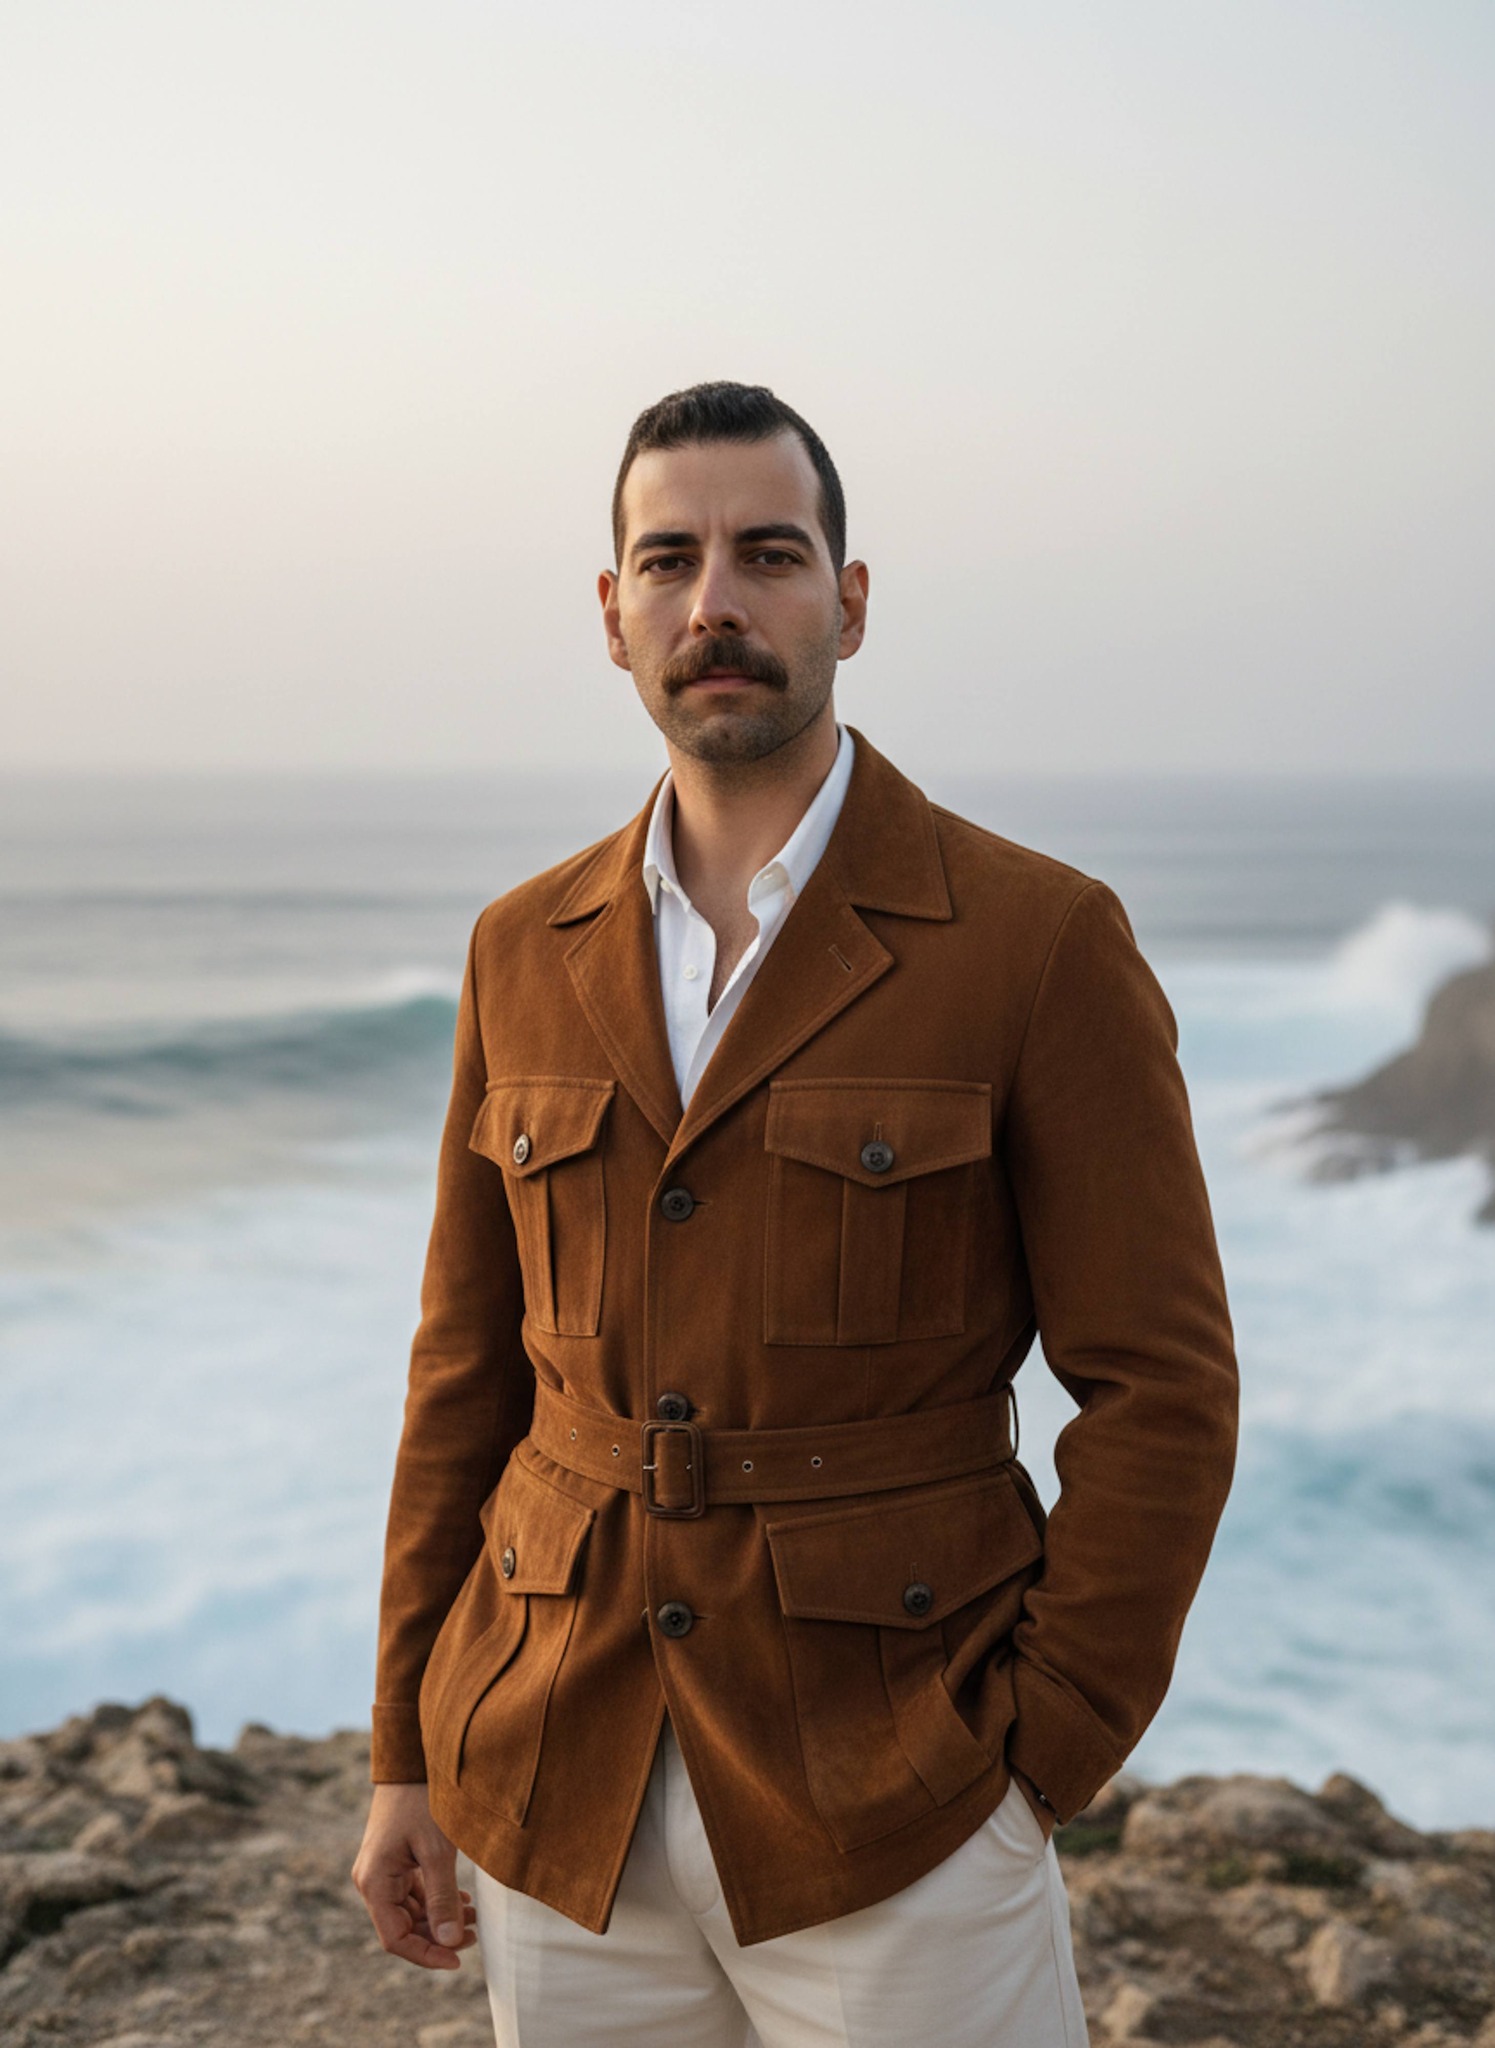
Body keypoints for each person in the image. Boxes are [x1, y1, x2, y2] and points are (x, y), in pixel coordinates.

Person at [351, 381, 1239, 2046]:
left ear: (848, 599)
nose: (717, 604)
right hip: (556, 1775)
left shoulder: (1038, 942)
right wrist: (407, 1741)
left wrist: (1041, 1750)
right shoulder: (517, 949)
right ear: (611, 617)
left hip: (896, 1783)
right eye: (669, 560)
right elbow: (465, 1373)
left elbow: (1163, 1388)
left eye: (768, 553)